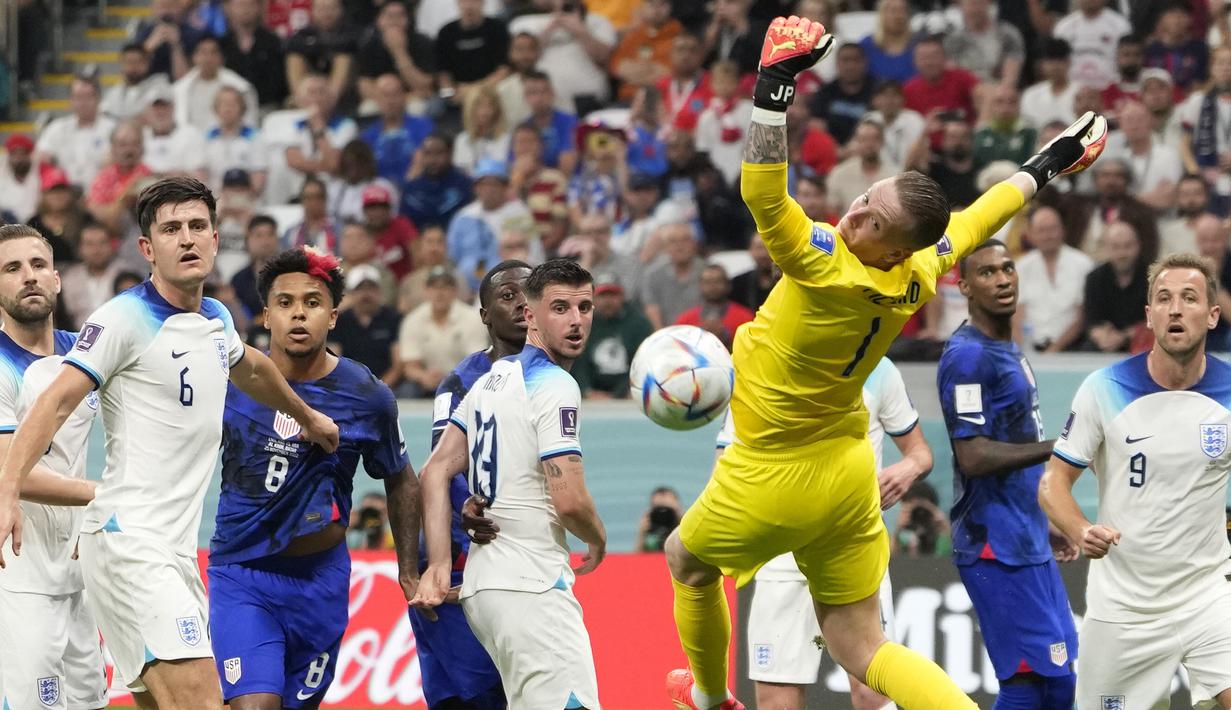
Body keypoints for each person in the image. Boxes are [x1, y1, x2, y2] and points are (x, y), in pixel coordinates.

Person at [662, 17, 1107, 709]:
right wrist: (1047, 165)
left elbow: (759, 191)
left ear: (891, 246)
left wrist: (774, 81)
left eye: (872, 220)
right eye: (864, 199)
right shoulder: (919, 272)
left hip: (770, 470)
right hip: (845, 471)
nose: (853, 215)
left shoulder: (820, 266)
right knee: (864, 650)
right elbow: (977, 217)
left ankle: (711, 696)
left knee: (684, 563)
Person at [0, 177, 340, 709]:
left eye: (197, 226)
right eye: (171, 229)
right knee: (204, 701)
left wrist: (308, 416)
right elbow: (57, 400)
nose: (186, 239)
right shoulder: (122, 318)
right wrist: (7, 492)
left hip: (167, 550)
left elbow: (250, 367)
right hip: (131, 544)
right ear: (147, 248)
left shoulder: (215, 318)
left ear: (213, 237)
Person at [208, 248, 419, 709]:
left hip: (320, 581)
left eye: (312, 302)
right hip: (244, 573)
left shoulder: (368, 396)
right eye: (284, 303)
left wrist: (407, 569)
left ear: (333, 317)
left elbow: (401, 479)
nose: (298, 313)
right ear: (266, 316)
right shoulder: (227, 382)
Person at [1041, 252, 1231, 709]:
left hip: (1208, 594)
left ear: (1211, 315)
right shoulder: (1103, 388)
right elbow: (1052, 483)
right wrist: (1081, 529)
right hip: (1123, 608)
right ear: (1149, 316)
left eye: (1189, 298)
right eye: (1163, 299)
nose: (1175, 309)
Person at [412, 258, 604, 708]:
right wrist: (597, 540)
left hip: (484, 587)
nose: (576, 321)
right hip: (532, 585)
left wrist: (440, 564)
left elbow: (435, 470)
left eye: (585, 308)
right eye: (560, 309)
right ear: (531, 316)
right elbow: (570, 501)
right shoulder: (554, 385)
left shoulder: (489, 380)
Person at [732, 355, 931, 710]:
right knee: (777, 701)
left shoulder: (879, 368)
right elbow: (727, 460)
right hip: (781, 556)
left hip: (853, 550)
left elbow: (920, 452)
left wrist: (908, 468)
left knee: (873, 692)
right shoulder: (762, 364)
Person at [937, 239, 1080, 709]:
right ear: (965, 288)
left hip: (1026, 536)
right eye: (987, 273)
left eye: (1008, 269)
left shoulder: (1006, 347)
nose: (1001, 280)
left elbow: (1014, 445)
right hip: (992, 544)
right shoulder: (967, 358)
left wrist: (1046, 522)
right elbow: (974, 456)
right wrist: (1061, 447)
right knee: (1026, 684)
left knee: (1058, 681)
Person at [412, 260, 532, 710]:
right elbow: (442, 472)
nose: (521, 302)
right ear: (484, 316)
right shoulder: (462, 382)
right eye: (507, 296)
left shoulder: (551, 377)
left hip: (510, 560)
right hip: (463, 561)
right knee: (486, 696)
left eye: (529, 292)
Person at [0, 224, 106, 710]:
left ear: (58, 279)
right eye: (12, 268)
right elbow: (14, 472)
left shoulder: (86, 355)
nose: (29, 277)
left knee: (91, 705)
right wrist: (109, 495)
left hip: (80, 576)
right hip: (19, 579)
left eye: (38, 265)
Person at [398, 266, 488, 397]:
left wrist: (449, 377)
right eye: (434, 287)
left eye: (445, 287)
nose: (439, 293)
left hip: (461, 380)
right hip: (426, 382)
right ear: (426, 291)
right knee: (407, 390)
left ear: (455, 291)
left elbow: (476, 363)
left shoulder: (472, 318)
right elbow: (410, 366)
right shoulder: (413, 320)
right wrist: (424, 376)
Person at [1016, 205, 1094, 353]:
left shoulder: (1083, 264)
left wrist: (1055, 349)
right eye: (1041, 231)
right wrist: (1022, 352)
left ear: (1063, 230)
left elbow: (1082, 315)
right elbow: (1016, 315)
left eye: (1052, 229)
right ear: (1031, 235)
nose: (1047, 236)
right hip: (1029, 348)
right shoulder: (1021, 266)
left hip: (1072, 348)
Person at [571, 272, 653, 399]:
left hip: (629, 394)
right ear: (593, 299)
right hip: (591, 396)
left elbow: (643, 363)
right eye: (603, 296)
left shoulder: (639, 324)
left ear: (622, 297)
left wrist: (619, 394)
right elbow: (577, 362)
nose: (608, 301)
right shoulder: (581, 324)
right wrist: (586, 390)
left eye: (613, 295)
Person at [329, 265, 403, 388]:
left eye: (371, 289)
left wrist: (379, 388)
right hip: (349, 385)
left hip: (388, 386)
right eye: (360, 289)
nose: (366, 295)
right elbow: (334, 361)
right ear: (351, 294)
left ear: (379, 292)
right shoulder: (339, 321)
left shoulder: (393, 319)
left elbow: (398, 365)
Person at [674, 264, 754, 350]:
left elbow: (751, 349)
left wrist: (727, 337)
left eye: (717, 281)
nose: (712, 287)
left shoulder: (745, 318)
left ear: (728, 285)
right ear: (700, 286)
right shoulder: (685, 320)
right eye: (707, 282)